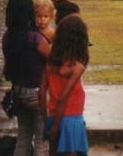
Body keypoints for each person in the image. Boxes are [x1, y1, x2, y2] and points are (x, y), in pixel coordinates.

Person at [2, 0, 51, 156]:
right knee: (42, 141)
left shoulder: (7, 37)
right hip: (38, 94)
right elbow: (54, 58)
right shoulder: (35, 39)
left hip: (18, 92)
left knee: (23, 139)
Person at [39, 14, 90, 156]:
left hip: (53, 116)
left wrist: (48, 121)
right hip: (72, 120)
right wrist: (55, 127)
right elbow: (63, 98)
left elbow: (41, 92)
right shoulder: (77, 67)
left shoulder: (50, 62)